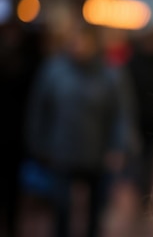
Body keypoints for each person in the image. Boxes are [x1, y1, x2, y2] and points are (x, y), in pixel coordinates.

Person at [24, 21, 137, 237]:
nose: (80, 46)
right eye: (75, 41)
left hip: (98, 153)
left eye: (85, 41)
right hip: (60, 151)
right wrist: (37, 144)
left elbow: (121, 114)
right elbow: (39, 109)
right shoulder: (54, 70)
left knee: (96, 211)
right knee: (61, 209)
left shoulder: (111, 73)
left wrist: (119, 147)